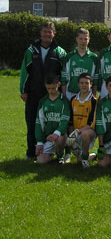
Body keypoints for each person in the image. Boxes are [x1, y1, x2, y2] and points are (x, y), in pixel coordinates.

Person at [20, 21, 66, 160]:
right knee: (33, 122)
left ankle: (53, 151)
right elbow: (24, 72)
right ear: (40, 33)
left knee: (52, 121)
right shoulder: (30, 50)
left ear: (54, 34)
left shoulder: (60, 52)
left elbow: (63, 73)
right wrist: (23, 90)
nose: (47, 34)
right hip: (34, 93)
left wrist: (62, 90)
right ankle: (31, 152)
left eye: (49, 32)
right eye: (45, 32)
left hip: (53, 93)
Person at [34, 74, 70, 165]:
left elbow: (65, 120)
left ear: (58, 84)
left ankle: (60, 156)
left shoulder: (64, 101)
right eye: (48, 88)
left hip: (60, 136)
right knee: (41, 161)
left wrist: (56, 133)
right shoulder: (43, 101)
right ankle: (52, 154)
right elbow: (39, 122)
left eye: (53, 88)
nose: (51, 91)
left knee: (59, 139)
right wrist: (39, 142)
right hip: (48, 138)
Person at [67, 73, 97, 168]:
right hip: (75, 133)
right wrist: (71, 137)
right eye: (81, 83)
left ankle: (85, 159)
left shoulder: (94, 101)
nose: (84, 85)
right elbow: (70, 120)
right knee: (78, 159)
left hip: (87, 132)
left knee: (85, 135)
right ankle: (92, 155)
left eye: (86, 83)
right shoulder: (73, 100)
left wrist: (77, 132)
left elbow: (91, 122)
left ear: (91, 84)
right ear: (78, 84)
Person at [61, 28, 98, 101]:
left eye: (85, 39)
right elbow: (64, 78)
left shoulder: (94, 57)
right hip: (71, 94)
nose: (83, 41)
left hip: (88, 95)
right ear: (76, 39)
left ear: (89, 40)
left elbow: (96, 79)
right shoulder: (69, 56)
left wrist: (93, 96)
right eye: (81, 39)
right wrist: (65, 95)